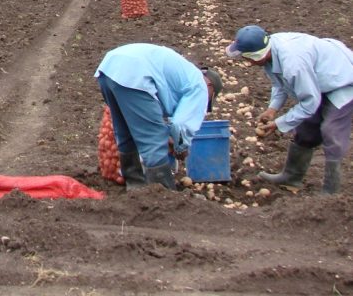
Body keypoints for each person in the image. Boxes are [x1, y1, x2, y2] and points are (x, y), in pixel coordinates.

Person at [226, 25, 353, 195]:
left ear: (257, 56)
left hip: (343, 79)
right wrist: (272, 109)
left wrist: (278, 123)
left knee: (331, 131)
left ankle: (331, 193)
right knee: (307, 129)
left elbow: (309, 102)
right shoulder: (271, 51)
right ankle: (291, 177)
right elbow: (280, 83)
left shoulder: (293, 63)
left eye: (246, 58)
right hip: (320, 79)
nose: (246, 62)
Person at [95, 43, 223, 190]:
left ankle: (135, 186)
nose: (205, 102)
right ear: (210, 87)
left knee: (126, 133)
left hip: (109, 68)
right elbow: (181, 124)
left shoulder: (184, 73)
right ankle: (164, 196)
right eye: (209, 99)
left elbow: (154, 114)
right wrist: (181, 147)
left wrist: (169, 134)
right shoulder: (200, 85)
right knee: (154, 142)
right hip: (133, 74)